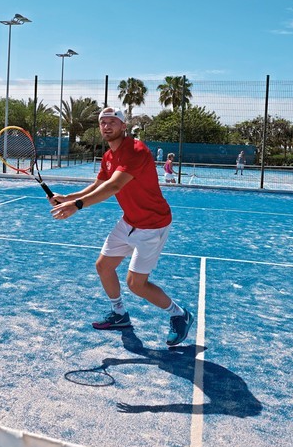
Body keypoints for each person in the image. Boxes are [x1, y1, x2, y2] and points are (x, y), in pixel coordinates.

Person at [49, 107, 194, 347]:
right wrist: (68, 197)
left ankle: (180, 314)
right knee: (104, 266)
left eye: (112, 122)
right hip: (130, 221)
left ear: (123, 126)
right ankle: (119, 315)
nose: (107, 126)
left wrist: (77, 206)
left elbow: (113, 187)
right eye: (103, 123)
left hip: (152, 224)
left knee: (136, 284)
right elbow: (98, 184)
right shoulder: (108, 156)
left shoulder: (135, 151)